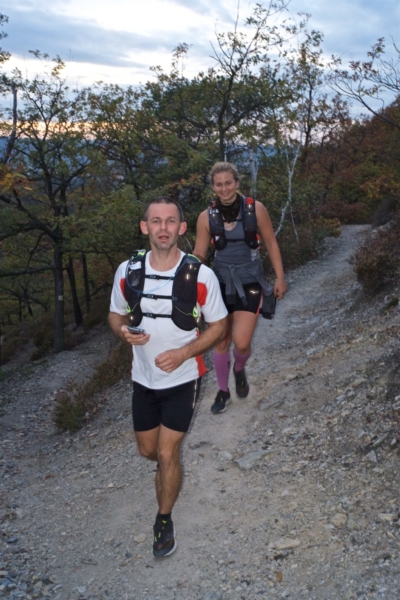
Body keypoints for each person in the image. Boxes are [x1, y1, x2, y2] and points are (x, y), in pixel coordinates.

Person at [108, 196, 228, 559]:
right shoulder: (127, 271)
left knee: (166, 451)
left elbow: (219, 326)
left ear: (181, 228)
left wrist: (184, 353)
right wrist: (123, 332)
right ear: (145, 227)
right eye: (156, 221)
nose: (163, 228)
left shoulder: (200, 275)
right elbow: (115, 314)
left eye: (171, 221)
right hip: (143, 379)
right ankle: (166, 471)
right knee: (148, 451)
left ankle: (163, 520)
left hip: (183, 379)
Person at [193, 161, 287, 414]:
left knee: (242, 343)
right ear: (213, 187)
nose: (224, 188)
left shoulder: (256, 209)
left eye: (228, 183)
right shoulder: (206, 217)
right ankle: (223, 391)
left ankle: (239, 368)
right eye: (218, 184)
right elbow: (200, 254)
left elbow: (271, 243)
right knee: (221, 340)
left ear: (237, 183)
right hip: (219, 284)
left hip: (250, 281)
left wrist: (280, 278)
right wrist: (187, 279)